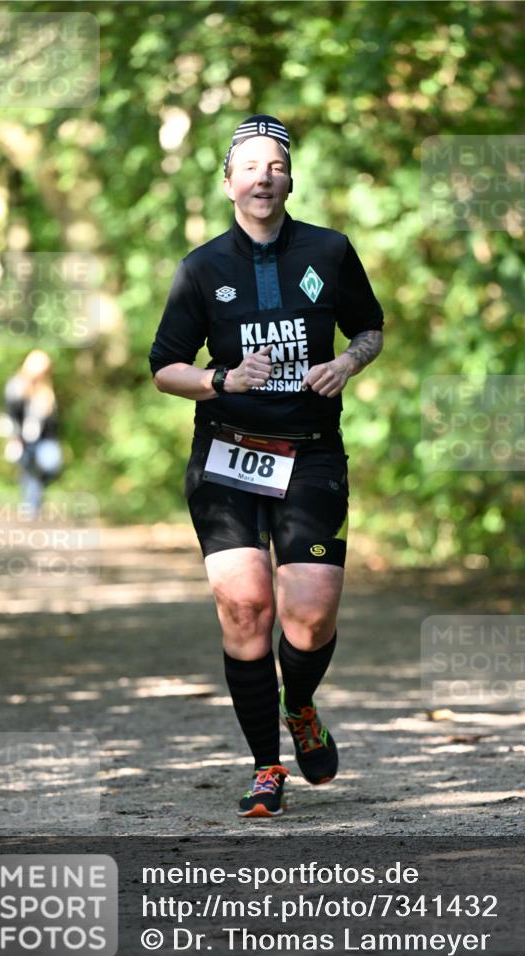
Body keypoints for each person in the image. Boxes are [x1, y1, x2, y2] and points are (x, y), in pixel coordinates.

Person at [149, 114, 384, 817]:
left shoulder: (330, 251)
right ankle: (264, 766)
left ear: (289, 179)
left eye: (275, 165)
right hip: (227, 452)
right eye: (249, 165)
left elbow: (368, 327)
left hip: (310, 452)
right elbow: (164, 368)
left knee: (308, 616)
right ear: (228, 183)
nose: (263, 176)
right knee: (245, 604)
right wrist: (221, 380)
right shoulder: (201, 267)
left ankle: (301, 703)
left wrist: (345, 362)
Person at [0, 350, 62, 515]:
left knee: (51, 465)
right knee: (29, 471)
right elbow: (10, 414)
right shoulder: (15, 386)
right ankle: (32, 508)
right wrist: (14, 438)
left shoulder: (46, 389)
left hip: (46, 437)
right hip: (22, 438)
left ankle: (34, 502)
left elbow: (52, 419)